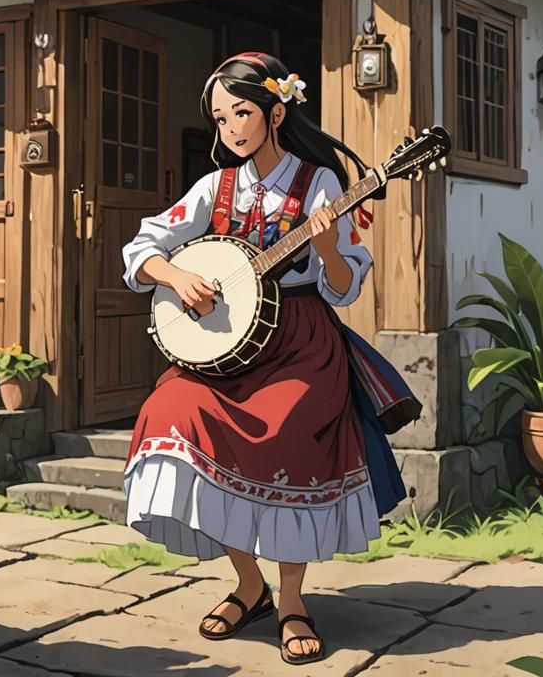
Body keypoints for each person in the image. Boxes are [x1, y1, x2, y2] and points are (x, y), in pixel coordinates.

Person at [121, 51, 421, 665]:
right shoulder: (215, 187)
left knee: (286, 440)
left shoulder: (323, 185)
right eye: (219, 118)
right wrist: (177, 278)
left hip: (302, 345)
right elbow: (144, 245)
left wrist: (330, 246)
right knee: (170, 410)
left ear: (276, 112)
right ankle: (248, 584)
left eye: (242, 113)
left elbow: (343, 286)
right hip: (227, 350)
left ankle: (290, 600)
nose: (229, 129)